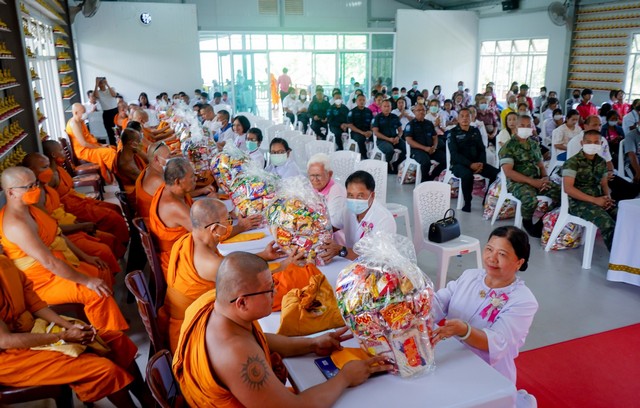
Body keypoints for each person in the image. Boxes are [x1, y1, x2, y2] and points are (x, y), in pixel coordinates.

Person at [172, 251, 391, 407]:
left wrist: (313, 343)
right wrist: (345, 378)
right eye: (269, 290)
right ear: (242, 302)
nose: (275, 294)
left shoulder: (215, 303)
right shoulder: (235, 354)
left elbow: (258, 339)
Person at [0, 255, 153, 407]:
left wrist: (69, 326)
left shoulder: (5, 263)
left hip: (34, 329)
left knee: (117, 341)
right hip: (9, 358)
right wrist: (62, 336)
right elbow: (5, 341)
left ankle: (148, 401)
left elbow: (35, 305)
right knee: (103, 371)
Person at [0, 167, 128, 331]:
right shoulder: (16, 225)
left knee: (100, 270)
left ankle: (97, 323)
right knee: (96, 292)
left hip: (56, 265)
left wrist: (85, 257)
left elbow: (58, 234)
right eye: (29, 187)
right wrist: (86, 281)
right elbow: (49, 263)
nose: (36, 189)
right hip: (39, 283)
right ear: (11, 193)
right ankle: (111, 338)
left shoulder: (31, 208)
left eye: (36, 184)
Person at [162, 198, 285, 352]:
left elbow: (230, 264)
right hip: (191, 331)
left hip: (176, 315)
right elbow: (249, 280)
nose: (230, 224)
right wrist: (284, 265)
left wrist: (264, 255)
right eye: (227, 220)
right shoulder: (210, 263)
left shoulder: (187, 240)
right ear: (214, 229)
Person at [431, 226, 538, 386]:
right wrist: (417, 306)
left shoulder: (523, 301)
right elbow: (440, 301)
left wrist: (465, 331)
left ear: (519, 262)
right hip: (451, 356)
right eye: (489, 249)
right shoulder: (471, 276)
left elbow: (498, 342)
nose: (492, 258)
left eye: (502, 254)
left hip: (487, 371)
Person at [24, 153, 121, 275]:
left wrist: (79, 224)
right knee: (104, 250)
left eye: (48, 166)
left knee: (110, 238)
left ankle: (113, 273)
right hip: (65, 235)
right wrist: (82, 226)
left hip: (71, 226)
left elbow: (60, 214)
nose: (49, 170)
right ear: (30, 171)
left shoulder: (45, 186)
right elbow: (54, 228)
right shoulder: (34, 198)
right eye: (44, 167)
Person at [42, 140, 129, 258]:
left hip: (78, 200)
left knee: (114, 207)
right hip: (72, 207)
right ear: (53, 155)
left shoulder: (59, 169)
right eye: (61, 150)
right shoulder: (50, 177)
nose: (63, 152)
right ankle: (121, 248)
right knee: (113, 218)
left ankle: (122, 244)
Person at [500, 115, 561, 238]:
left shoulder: (533, 144)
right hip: (517, 182)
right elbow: (509, 172)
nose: (526, 128)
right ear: (515, 127)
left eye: (528, 126)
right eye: (522, 125)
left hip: (537, 180)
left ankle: (543, 221)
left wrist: (545, 178)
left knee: (562, 194)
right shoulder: (509, 146)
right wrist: (533, 182)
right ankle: (527, 222)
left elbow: (541, 165)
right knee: (530, 200)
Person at [319, 171, 396, 263]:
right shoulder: (347, 209)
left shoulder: (384, 219)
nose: (354, 201)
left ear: (372, 195)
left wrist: (341, 250)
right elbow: (332, 227)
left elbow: (377, 258)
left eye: (360, 196)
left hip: (374, 268)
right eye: (350, 195)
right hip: (350, 263)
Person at [563, 130, 617, 251]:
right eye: (588, 142)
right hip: (579, 203)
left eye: (596, 142)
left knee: (624, 216)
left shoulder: (601, 162)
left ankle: (630, 255)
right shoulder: (572, 162)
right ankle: (617, 261)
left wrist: (607, 197)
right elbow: (568, 188)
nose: (592, 145)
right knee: (607, 224)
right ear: (582, 143)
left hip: (599, 199)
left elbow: (604, 184)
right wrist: (595, 200)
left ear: (601, 143)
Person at [448, 108, 499, 212]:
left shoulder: (475, 131)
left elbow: (481, 149)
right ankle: (467, 203)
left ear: (471, 118)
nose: (465, 118)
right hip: (459, 165)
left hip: (477, 163)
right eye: (462, 116)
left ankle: (486, 199)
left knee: (496, 174)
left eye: (467, 116)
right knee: (467, 175)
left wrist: (481, 163)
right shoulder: (452, 133)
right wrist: (470, 164)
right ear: (457, 119)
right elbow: (454, 154)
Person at [66, 103, 117, 183]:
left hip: (89, 147)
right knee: (109, 152)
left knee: (112, 148)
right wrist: (100, 147)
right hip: (83, 151)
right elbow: (84, 144)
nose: (84, 114)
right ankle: (118, 175)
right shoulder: (74, 124)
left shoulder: (80, 121)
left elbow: (89, 138)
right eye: (82, 112)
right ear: (75, 113)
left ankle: (114, 174)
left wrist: (101, 145)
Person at [404, 104, 446, 182]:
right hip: (417, 150)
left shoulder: (429, 123)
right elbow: (409, 140)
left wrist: (435, 146)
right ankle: (424, 181)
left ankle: (432, 176)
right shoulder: (410, 125)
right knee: (426, 162)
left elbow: (435, 137)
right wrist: (425, 148)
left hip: (430, 149)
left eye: (423, 110)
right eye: (418, 110)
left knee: (446, 159)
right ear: (414, 112)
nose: (421, 112)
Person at [307, 153, 347, 230]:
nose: (315, 179)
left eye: (318, 175)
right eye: (311, 175)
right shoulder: (312, 185)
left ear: (330, 174)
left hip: (335, 235)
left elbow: (334, 224)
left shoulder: (336, 192)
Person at [135, 140, 170, 218]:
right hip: (153, 220)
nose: (170, 159)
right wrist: (202, 190)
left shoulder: (148, 169)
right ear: (156, 159)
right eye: (168, 157)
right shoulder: (156, 180)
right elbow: (178, 195)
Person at [372, 100, 406, 173]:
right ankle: (387, 165)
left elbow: (400, 131)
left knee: (407, 149)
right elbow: (376, 132)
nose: (387, 108)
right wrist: (388, 139)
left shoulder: (394, 117)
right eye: (385, 106)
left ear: (391, 107)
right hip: (382, 140)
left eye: (388, 106)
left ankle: (396, 163)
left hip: (395, 139)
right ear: (381, 107)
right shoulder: (377, 117)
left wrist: (398, 137)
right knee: (390, 150)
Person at [115, 128, 147, 204]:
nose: (141, 143)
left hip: (143, 183)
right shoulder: (127, 164)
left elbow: (148, 160)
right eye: (139, 141)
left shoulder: (128, 151)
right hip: (139, 196)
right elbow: (146, 182)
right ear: (131, 143)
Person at [347, 94, 374, 160]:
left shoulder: (369, 111)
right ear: (356, 101)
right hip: (356, 132)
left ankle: (373, 155)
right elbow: (350, 125)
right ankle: (364, 157)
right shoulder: (352, 112)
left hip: (368, 131)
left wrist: (371, 131)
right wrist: (362, 132)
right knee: (361, 139)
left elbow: (372, 123)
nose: (362, 101)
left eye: (363, 100)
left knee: (376, 137)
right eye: (360, 100)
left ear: (365, 101)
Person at [93, 77, 119, 146]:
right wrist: (96, 84)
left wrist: (107, 84)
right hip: (106, 113)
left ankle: (121, 146)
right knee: (110, 132)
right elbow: (94, 97)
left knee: (118, 130)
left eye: (102, 81)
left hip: (115, 111)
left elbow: (114, 95)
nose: (101, 83)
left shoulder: (111, 89)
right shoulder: (98, 92)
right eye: (100, 82)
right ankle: (114, 148)